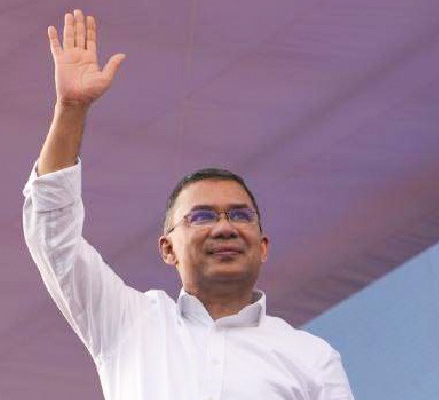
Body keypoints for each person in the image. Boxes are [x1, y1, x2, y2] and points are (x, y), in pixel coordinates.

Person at [23, 9, 354, 400]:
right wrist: (71, 110)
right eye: (202, 216)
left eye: (240, 215)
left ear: (263, 246)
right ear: (168, 249)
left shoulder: (312, 358)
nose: (224, 227)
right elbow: (53, 240)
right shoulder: (128, 323)